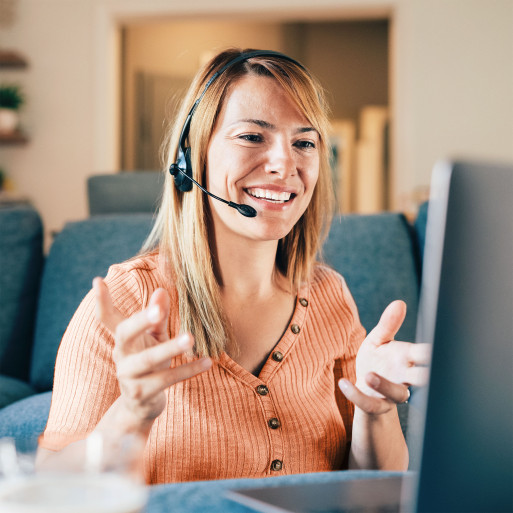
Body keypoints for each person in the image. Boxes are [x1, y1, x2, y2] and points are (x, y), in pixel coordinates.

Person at [39, 49, 429, 484]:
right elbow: (49, 488)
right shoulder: (125, 303)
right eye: (252, 137)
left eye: (304, 142)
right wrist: (130, 415)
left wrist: (375, 410)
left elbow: (370, 486)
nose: (285, 164)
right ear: (191, 157)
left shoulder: (328, 295)